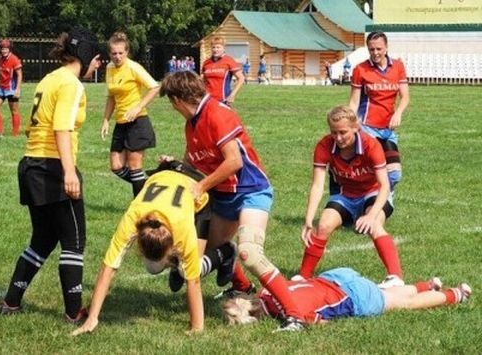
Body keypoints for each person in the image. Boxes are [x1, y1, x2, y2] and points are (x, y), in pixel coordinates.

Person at [159, 71, 306, 332]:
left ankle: (294, 316)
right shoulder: (191, 123)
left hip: (251, 191)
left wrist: (202, 185)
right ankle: (241, 286)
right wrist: (173, 166)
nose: (172, 108)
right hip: (223, 196)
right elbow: (192, 163)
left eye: (171, 102)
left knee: (249, 252)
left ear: (178, 99)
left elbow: (234, 162)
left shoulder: (217, 113)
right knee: (195, 254)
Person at [0, 28, 101, 324]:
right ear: (83, 56)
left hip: (31, 163)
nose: (98, 63)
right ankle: (73, 313)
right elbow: (61, 128)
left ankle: (11, 301)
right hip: (53, 166)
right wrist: (69, 172)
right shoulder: (71, 83)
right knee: (74, 241)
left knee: (42, 239)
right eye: (96, 57)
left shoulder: (50, 78)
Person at [72, 161, 237, 335]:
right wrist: (92, 318)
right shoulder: (133, 218)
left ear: (173, 245)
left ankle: (227, 252)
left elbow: (193, 282)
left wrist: (197, 327)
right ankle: (175, 264)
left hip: (196, 192)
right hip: (162, 179)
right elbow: (108, 268)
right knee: (153, 267)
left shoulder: (182, 229)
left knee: (189, 269)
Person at [297, 105, 404, 289]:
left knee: (375, 225)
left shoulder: (371, 145)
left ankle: (395, 277)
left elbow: (385, 185)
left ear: (356, 128)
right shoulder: (324, 146)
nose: (338, 138)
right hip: (345, 195)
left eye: (343, 132)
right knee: (323, 225)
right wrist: (308, 220)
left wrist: (370, 216)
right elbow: (317, 185)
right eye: (334, 132)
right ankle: (303, 277)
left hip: (374, 193)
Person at [223, 267, 472, 327]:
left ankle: (456, 294)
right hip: (336, 275)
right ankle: (428, 284)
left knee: (403, 304)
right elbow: (297, 282)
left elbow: (321, 321)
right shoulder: (268, 291)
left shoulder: (291, 313)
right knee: (385, 293)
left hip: (351, 294)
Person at [101, 32, 159, 197]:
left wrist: (137, 108)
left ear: (127, 52)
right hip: (121, 122)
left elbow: (155, 87)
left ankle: (138, 207)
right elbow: (111, 96)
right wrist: (106, 120)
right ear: (109, 54)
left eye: (121, 53)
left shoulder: (133, 67)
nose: (118, 57)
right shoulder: (109, 68)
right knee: (116, 166)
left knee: (134, 167)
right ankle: (151, 189)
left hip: (138, 122)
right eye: (114, 53)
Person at [349, 31, 409, 191]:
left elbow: (405, 97)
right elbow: (354, 101)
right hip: (367, 128)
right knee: (371, 170)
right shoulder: (360, 70)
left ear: (386, 47)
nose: (375, 53)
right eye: (371, 49)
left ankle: (380, 200)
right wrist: (351, 124)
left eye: (379, 49)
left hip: (388, 130)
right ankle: (369, 203)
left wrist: (398, 113)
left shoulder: (398, 66)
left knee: (394, 174)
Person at [201, 36, 244, 105]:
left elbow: (241, 79)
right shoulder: (206, 63)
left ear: (224, 48)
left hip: (223, 100)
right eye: (213, 47)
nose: (215, 49)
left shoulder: (229, 60)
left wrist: (232, 95)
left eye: (218, 47)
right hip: (207, 99)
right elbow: (203, 80)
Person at [0, 39, 23, 137]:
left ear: (9, 49)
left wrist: (17, 89)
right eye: (2, 49)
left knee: (14, 111)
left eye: (6, 49)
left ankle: (15, 135)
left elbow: (19, 75)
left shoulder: (14, 59)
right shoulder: (0, 58)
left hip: (11, 89)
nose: (4, 51)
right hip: (1, 88)